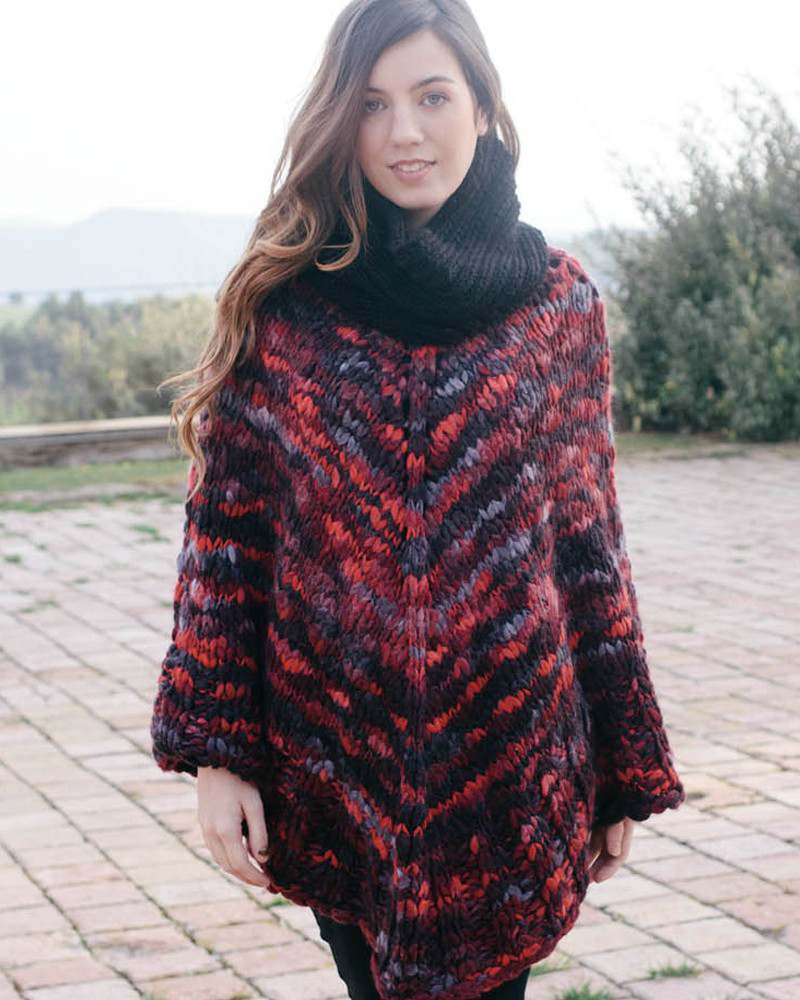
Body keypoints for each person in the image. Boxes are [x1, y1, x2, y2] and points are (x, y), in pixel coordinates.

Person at [149, 2, 687, 998]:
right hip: (333, 758)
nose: (403, 131)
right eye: (371, 104)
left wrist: (621, 763)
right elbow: (227, 545)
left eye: (432, 96)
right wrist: (218, 759)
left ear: (481, 106)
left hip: (514, 760)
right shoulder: (287, 308)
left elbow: (588, 546)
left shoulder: (558, 304)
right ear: (340, 121)